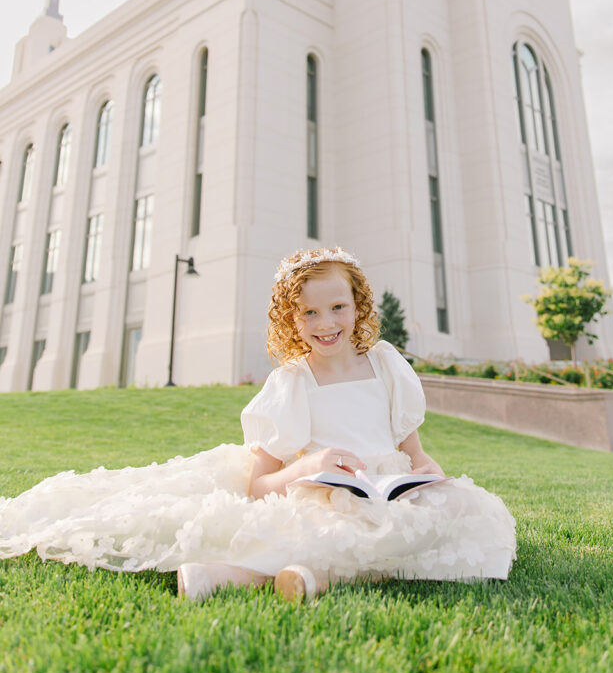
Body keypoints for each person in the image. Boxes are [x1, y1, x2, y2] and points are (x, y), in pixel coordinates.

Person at [0, 247, 516, 601]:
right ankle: (238, 576)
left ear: (358, 307)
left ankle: (297, 576)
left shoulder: (385, 364)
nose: (325, 323)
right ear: (291, 320)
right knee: (331, 530)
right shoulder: (294, 381)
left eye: (337, 307)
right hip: (322, 491)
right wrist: (310, 465)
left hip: (389, 491)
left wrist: (427, 476)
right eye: (309, 313)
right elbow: (257, 485)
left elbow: (415, 450)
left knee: (460, 514)